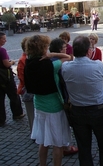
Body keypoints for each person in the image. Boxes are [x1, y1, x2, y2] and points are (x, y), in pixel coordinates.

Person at [61, 36, 103, 166]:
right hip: (98, 110)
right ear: (88, 51)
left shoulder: (66, 67)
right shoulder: (98, 65)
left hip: (78, 111)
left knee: (83, 147)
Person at [24, 35, 72, 166]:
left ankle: (42, 164)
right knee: (57, 142)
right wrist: (52, 55)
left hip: (39, 105)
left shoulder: (28, 63)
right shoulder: (51, 65)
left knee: (43, 142)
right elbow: (68, 57)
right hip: (54, 107)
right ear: (43, 48)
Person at [49, 38, 79, 157]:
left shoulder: (49, 60)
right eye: (64, 48)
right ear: (58, 50)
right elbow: (69, 58)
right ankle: (65, 146)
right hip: (62, 95)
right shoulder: (59, 62)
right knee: (64, 121)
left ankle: (65, 144)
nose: (66, 49)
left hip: (55, 95)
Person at [0, 32, 25, 127]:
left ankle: (1, 119)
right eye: (3, 39)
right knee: (13, 94)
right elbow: (6, 64)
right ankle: (17, 113)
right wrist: (12, 62)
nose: (5, 41)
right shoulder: (2, 50)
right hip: (5, 76)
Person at [17, 37, 34, 132]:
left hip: (31, 89)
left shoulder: (28, 59)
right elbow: (22, 77)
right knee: (32, 114)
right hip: (28, 90)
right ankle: (34, 134)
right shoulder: (23, 60)